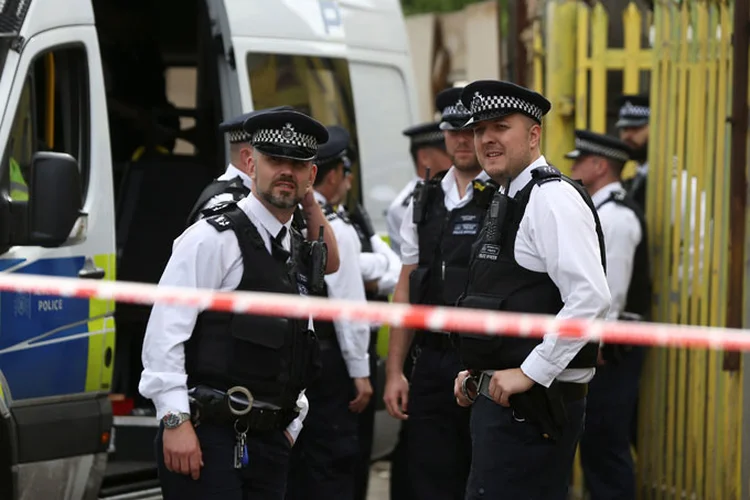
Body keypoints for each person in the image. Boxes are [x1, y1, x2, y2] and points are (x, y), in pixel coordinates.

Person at [139, 108, 340, 500]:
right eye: (275, 160)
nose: (286, 172)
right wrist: (175, 419)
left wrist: (291, 423)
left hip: (268, 443)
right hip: (206, 437)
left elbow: (299, 343)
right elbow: (164, 334)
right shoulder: (213, 238)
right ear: (251, 162)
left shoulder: (298, 248)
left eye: (297, 164)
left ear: (311, 176)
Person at [451, 80, 611, 499]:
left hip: (532, 411)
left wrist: (530, 371)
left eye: (500, 127)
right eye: (478, 129)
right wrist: (478, 374)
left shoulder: (551, 199)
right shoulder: (509, 195)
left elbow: (591, 297)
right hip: (504, 408)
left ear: (534, 134)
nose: (486, 139)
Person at [383, 86, 491, 500]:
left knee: (483, 476)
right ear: (442, 136)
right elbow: (406, 286)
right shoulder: (422, 201)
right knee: (430, 476)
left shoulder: (507, 195)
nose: (463, 141)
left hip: (484, 357)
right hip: (431, 360)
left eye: (471, 131)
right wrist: (395, 372)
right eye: (454, 132)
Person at [285, 125, 373, 500]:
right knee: (332, 463)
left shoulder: (286, 220)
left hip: (293, 363)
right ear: (331, 173)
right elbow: (349, 307)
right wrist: (361, 372)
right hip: (330, 366)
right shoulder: (334, 229)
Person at [565, 129, 652, 499]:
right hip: (602, 345)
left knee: (605, 443)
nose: (573, 167)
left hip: (611, 348)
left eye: (579, 160)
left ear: (600, 166)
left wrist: (597, 340)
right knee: (597, 441)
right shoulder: (600, 211)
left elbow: (611, 290)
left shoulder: (616, 217)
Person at [186, 106, 294, 224]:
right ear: (248, 157)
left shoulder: (271, 194)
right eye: (275, 159)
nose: (287, 169)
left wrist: (310, 207)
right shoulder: (224, 205)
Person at [386, 121, 452, 257]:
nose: (454, 155)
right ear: (424, 157)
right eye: (446, 151)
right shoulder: (406, 205)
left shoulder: (453, 189)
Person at [615, 94, 650, 212]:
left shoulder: (676, 181)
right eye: (624, 129)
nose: (627, 136)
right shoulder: (636, 177)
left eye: (636, 128)